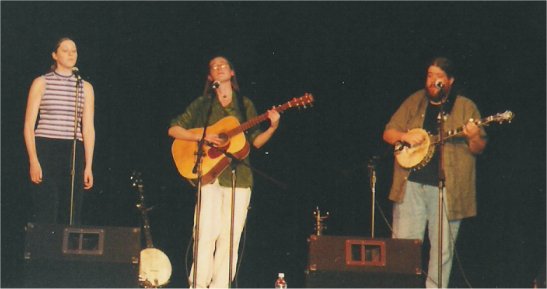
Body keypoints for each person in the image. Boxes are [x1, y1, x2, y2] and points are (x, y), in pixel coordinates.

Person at [168, 56, 280, 288]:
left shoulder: (244, 104)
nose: (219, 68)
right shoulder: (202, 104)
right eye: (213, 66)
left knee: (231, 236)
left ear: (232, 73)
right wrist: (201, 136)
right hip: (209, 175)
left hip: (239, 178)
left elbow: (255, 142)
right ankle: (198, 284)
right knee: (205, 231)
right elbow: (174, 129)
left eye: (223, 65)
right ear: (210, 77)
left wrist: (273, 126)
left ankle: (221, 286)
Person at [383, 57, 487, 288]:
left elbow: (478, 147)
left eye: (439, 77)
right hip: (409, 187)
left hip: (447, 190)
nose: (433, 81)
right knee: (403, 248)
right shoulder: (415, 101)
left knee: (441, 253)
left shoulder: (465, 107)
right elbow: (389, 132)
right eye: (430, 75)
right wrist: (404, 136)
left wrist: (473, 135)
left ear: (450, 81)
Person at [23, 37, 95, 225]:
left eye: (74, 50)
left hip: (73, 149)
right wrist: (33, 160)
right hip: (47, 148)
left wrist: (88, 165)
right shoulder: (41, 82)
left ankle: (68, 254)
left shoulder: (85, 87)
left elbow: (88, 128)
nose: (71, 54)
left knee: (71, 210)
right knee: (47, 207)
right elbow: (29, 125)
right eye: (65, 50)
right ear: (55, 55)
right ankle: (44, 254)